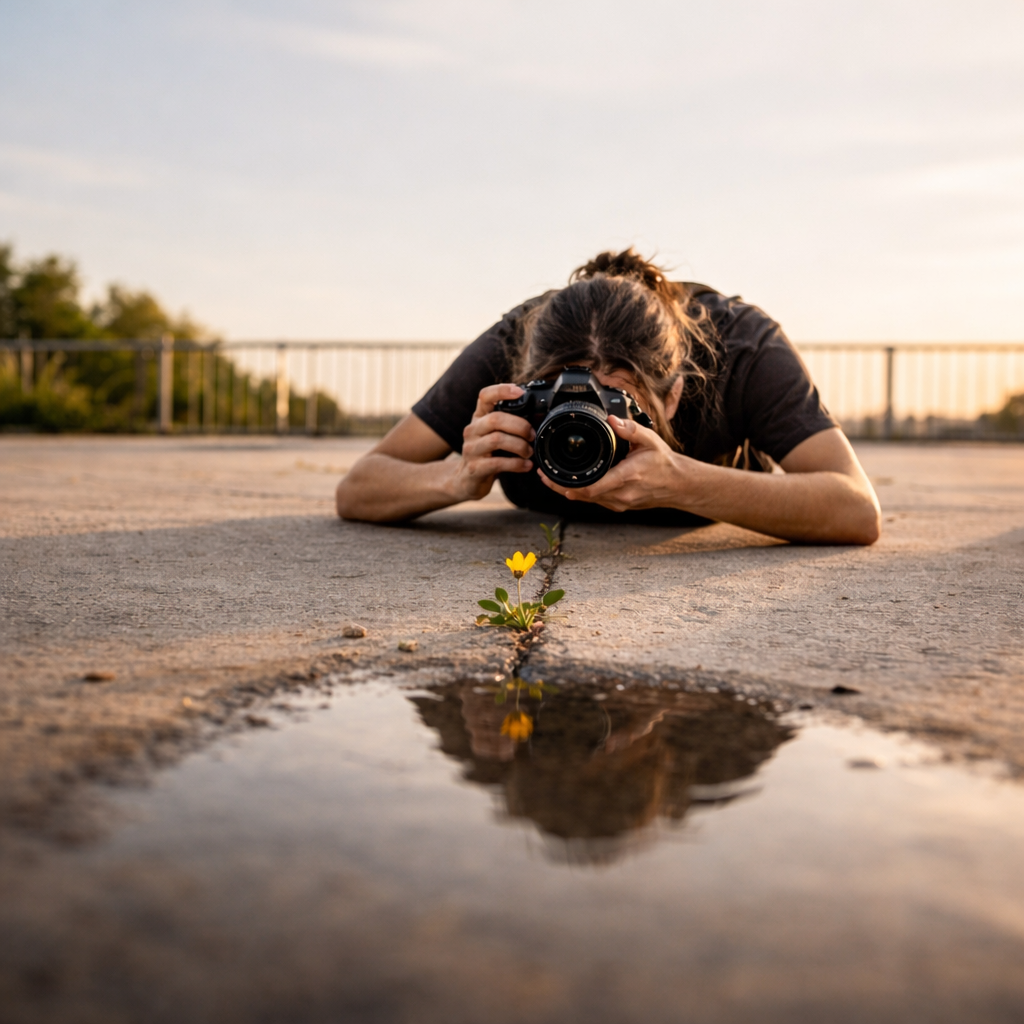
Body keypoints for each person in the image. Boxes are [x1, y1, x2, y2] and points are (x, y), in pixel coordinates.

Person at [336, 250, 881, 544]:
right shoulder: (511, 343)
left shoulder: (742, 347)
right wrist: (453, 478)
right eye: (560, 399)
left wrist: (684, 481)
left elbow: (855, 509)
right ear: (526, 382)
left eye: (618, 407)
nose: (584, 421)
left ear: (675, 396)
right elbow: (359, 489)